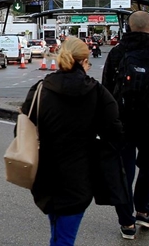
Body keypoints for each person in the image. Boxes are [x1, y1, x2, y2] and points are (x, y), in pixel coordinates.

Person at [20, 37, 124, 246]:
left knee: (58, 232)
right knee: (65, 238)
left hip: (46, 174)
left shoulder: (41, 90)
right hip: (79, 175)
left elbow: (21, 130)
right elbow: (114, 134)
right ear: (84, 62)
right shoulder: (98, 93)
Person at [102, 11, 149, 240]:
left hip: (121, 122)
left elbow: (105, 89)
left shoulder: (117, 52)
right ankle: (143, 210)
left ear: (128, 27)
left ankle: (126, 223)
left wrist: (105, 123)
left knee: (124, 171)